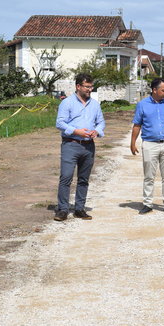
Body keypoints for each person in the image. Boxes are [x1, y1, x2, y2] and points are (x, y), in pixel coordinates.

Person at [54, 73, 105, 221]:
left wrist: (97, 131)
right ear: (78, 86)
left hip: (89, 146)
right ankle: (62, 209)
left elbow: (101, 122)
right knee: (66, 177)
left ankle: (79, 208)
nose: (90, 89)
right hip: (71, 144)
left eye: (91, 86)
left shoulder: (95, 104)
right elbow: (60, 123)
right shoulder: (67, 103)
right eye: (87, 86)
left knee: (83, 179)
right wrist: (77, 131)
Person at [130, 78, 164, 214]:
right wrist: (133, 143)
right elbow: (137, 125)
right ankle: (147, 204)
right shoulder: (142, 105)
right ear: (154, 90)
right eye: (163, 90)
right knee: (149, 176)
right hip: (149, 145)